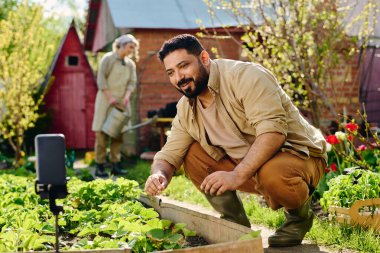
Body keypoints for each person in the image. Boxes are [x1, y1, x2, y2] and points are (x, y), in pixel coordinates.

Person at [144, 34, 327, 247]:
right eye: (171, 73)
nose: (179, 77)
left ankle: (299, 218)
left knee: (273, 173)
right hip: (247, 168)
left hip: (298, 157)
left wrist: (237, 175)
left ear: (204, 58)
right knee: (191, 154)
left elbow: (273, 132)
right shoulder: (186, 108)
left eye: (183, 66)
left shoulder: (246, 76)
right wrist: (159, 175)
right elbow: (169, 154)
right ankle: (235, 224)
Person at [92, 34, 138, 177]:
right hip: (106, 101)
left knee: (119, 135)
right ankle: (99, 166)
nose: (132, 50)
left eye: (134, 47)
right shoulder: (108, 59)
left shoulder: (130, 64)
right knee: (101, 134)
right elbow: (101, 79)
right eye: (131, 47)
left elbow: (132, 82)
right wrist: (110, 97)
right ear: (122, 45)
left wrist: (126, 97)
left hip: (122, 102)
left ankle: (115, 165)